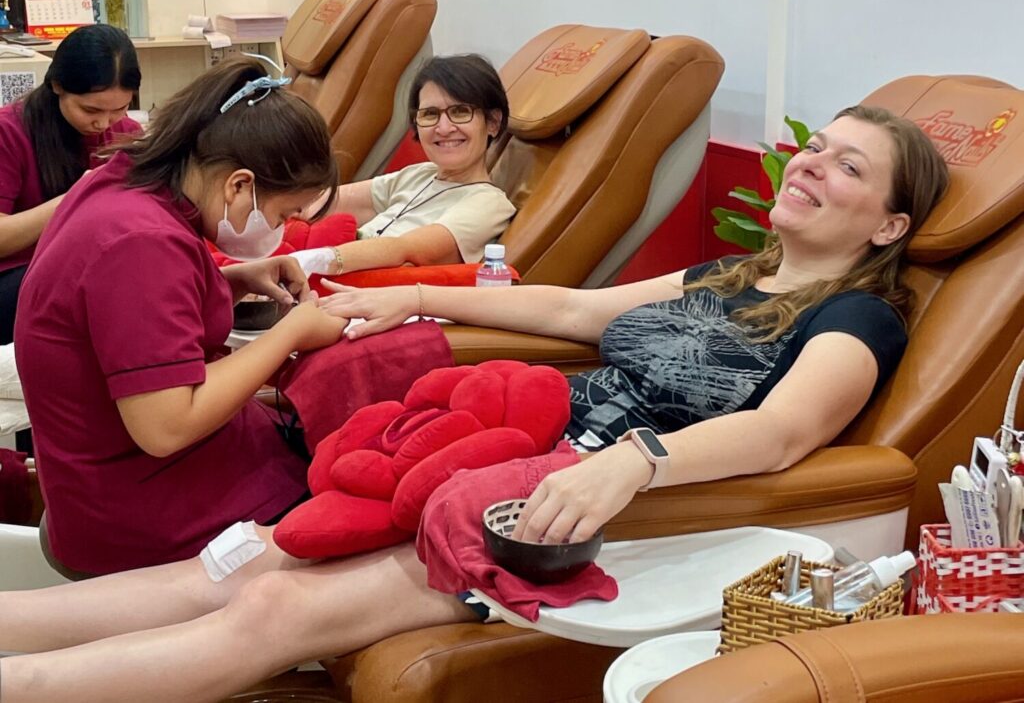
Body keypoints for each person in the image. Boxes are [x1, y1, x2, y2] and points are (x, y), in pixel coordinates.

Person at [0, 105, 949, 702]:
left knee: (276, 606)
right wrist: (414, 293)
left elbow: (783, 433)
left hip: (586, 508)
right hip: (511, 451)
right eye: (817, 146)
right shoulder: (731, 273)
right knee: (245, 557)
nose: (815, 163)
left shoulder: (859, 316)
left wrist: (632, 462)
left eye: (850, 167)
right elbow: (570, 309)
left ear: (892, 225)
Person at [12, 57, 349, 577]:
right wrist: (293, 331)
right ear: (238, 185)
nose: (281, 229)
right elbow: (165, 427)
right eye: (282, 215)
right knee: (358, 512)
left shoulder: (125, 184)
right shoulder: (140, 242)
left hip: (124, 481)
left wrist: (233, 281)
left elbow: (123, 317)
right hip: (141, 516)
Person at [286, 53, 516, 278]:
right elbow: (320, 202)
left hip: (368, 296)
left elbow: (407, 250)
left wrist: (307, 261)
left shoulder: (489, 203)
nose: (444, 128)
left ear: (493, 123)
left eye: (460, 112)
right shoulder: (419, 174)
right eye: (430, 114)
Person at [0, 23, 142, 344]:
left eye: (119, 108)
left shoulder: (127, 134)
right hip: (16, 281)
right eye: (90, 109)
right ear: (57, 86)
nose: (103, 123)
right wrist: (75, 198)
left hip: (90, 271)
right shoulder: (10, 131)